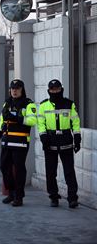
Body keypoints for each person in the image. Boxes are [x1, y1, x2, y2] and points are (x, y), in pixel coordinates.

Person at [38, 79, 81, 208]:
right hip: (50, 141)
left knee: (69, 172)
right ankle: (54, 197)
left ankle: (72, 198)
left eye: (57, 89)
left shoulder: (69, 104)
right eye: (52, 90)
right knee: (51, 172)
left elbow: (76, 122)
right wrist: (44, 138)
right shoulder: (43, 105)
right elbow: (41, 124)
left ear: (61, 89)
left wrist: (77, 138)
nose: (55, 91)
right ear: (49, 91)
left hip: (66, 140)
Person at [0, 79, 37, 207]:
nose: (14, 91)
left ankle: (19, 196)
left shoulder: (28, 104)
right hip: (7, 141)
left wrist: (16, 118)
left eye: (17, 88)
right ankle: (11, 192)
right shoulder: (7, 103)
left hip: (21, 141)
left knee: (19, 170)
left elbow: (33, 121)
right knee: (4, 167)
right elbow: (2, 121)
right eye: (12, 88)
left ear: (22, 90)